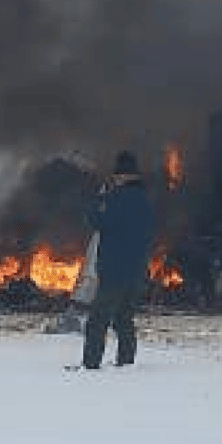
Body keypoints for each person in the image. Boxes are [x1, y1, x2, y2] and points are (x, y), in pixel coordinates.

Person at [80, 150, 157, 369]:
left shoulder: (117, 198)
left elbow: (98, 221)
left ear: (122, 176)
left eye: (116, 176)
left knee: (98, 321)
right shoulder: (145, 201)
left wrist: (98, 200)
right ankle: (126, 363)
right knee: (124, 320)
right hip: (137, 271)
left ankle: (91, 365)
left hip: (114, 272)